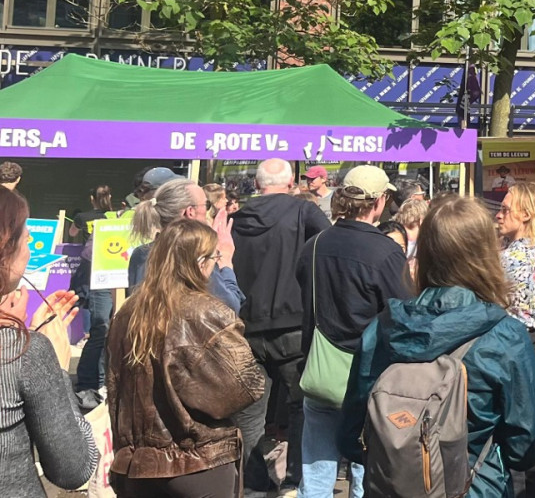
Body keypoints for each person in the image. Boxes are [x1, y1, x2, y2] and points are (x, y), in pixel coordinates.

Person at [340, 197, 535, 498]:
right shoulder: (505, 336)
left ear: (425, 253)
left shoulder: (383, 327)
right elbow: (529, 443)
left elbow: (351, 431)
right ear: (486, 255)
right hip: (474, 487)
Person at [107, 219, 266, 498]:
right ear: (201, 262)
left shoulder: (127, 312)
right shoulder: (208, 312)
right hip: (197, 462)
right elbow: (246, 387)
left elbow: (114, 385)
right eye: (216, 257)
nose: (216, 264)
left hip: (136, 466)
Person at [296, 182, 410, 498]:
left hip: (321, 370)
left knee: (316, 472)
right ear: (379, 202)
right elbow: (404, 312)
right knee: (365, 466)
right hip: (370, 375)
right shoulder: (387, 252)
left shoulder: (314, 245)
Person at [232, 157, 332, 494]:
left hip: (247, 326)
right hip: (293, 324)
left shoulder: (236, 219)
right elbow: (331, 247)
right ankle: (294, 481)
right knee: (302, 407)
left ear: (257, 185)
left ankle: (255, 484)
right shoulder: (304, 212)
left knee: (250, 414)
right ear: (291, 184)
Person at [0, 186, 98, 498]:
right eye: (24, 236)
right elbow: (74, 468)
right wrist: (51, 362)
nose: (30, 244)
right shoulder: (25, 354)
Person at [495, 183, 535, 498]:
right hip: (534, 348)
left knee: (508, 437)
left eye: (506, 209)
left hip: (507, 348)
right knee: (529, 434)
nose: (498, 214)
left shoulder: (508, 260)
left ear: (526, 214)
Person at [127, 177, 244, 311]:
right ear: (190, 212)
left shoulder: (140, 254)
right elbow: (229, 307)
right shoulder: (196, 254)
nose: (207, 212)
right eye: (206, 205)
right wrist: (225, 262)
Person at [69, 184, 116, 408]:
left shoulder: (83, 217)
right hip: (103, 274)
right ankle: (90, 383)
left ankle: (93, 382)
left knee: (98, 325)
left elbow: (72, 235)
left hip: (98, 274)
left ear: (91, 199)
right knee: (100, 329)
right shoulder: (113, 218)